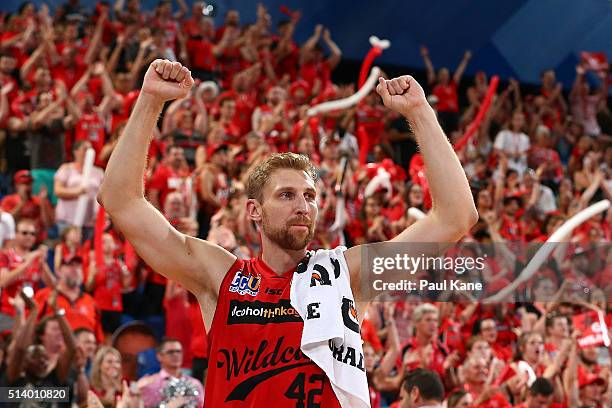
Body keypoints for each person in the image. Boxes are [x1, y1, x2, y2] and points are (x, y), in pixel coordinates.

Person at [98, 59, 477, 406]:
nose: (303, 205)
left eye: (310, 196)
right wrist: (150, 100)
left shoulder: (347, 275)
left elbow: (456, 217)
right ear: (254, 212)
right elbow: (120, 199)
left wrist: (419, 111)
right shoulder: (220, 276)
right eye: (286, 195)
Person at [137, 338, 204, 408]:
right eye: (170, 352)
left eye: (178, 351)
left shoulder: (195, 383)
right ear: (159, 356)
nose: (175, 355)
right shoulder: (149, 383)